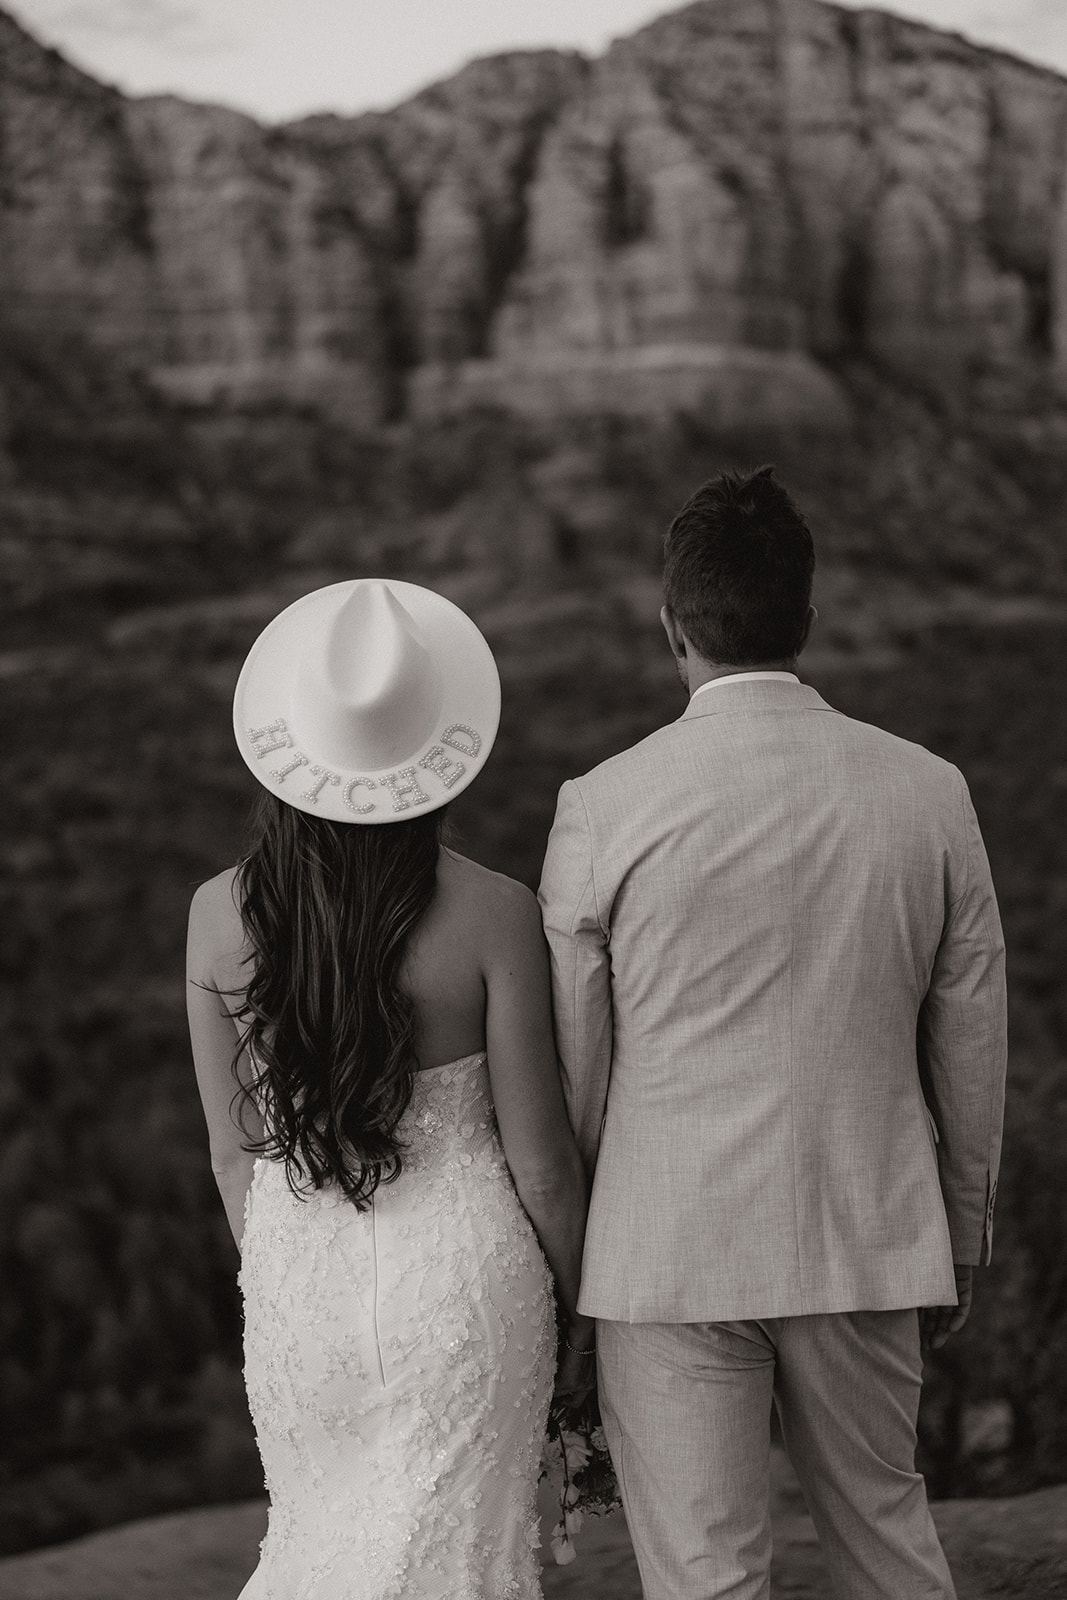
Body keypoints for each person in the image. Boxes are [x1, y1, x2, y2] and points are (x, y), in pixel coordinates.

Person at [538, 466, 1007, 1600]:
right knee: (890, 1551)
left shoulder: (601, 803)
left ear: (671, 626)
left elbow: (577, 1065)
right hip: (865, 1226)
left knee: (706, 1579)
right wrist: (957, 1226)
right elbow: (969, 1029)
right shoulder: (927, 789)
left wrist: (579, 1246)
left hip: (665, 1251)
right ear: (803, 615)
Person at [187, 578, 595, 1600]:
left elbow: (232, 1155)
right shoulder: (497, 912)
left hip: (296, 1289)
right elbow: (542, 1166)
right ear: (435, 754)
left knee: (315, 1545)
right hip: (468, 1290)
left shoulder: (211, 916)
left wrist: (285, 1273)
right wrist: (585, 1314)